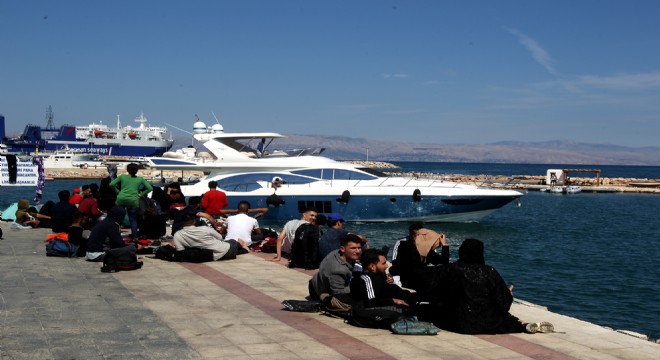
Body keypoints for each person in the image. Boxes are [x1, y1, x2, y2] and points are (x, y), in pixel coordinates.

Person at [432, 238, 554, 334]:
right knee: (505, 319)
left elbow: (435, 292)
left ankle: (522, 325)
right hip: (484, 321)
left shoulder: (451, 269)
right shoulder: (490, 272)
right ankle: (523, 325)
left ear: (462, 251)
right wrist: (508, 294)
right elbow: (503, 304)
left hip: (455, 321)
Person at [388, 227, 448, 297]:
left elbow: (443, 261)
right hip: (413, 280)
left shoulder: (426, 251)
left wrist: (443, 245)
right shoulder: (406, 247)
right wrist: (444, 245)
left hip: (417, 278)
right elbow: (397, 264)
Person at [171, 207, 248, 260]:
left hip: (211, 255)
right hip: (224, 249)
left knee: (231, 244)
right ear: (194, 221)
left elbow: (180, 250)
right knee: (233, 242)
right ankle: (244, 247)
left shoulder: (178, 235)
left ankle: (242, 247)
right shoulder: (205, 229)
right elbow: (220, 238)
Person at [350, 248, 418, 308]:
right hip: (404, 305)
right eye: (384, 263)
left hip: (411, 298)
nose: (387, 265)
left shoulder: (378, 276)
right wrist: (393, 301)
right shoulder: (366, 279)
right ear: (372, 266)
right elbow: (371, 302)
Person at [309, 233, 363, 304]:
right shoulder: (338, 269)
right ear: (342, 249)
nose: (358, 251)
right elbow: (339, 294)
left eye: (359, 248)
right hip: (321, 291)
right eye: (353, 248)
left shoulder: (337, 252)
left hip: (319, 281)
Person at [109, 163, 153, 239]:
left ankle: (115, 235)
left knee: (117, 218)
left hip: (121, 199)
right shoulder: (140, 179)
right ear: (136, 171)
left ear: (127, 170)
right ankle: (135, 236)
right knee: (133, 218)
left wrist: (117, 192)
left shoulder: (122, 177)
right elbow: (150, 188)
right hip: (133, 200)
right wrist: (141, 194)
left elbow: (111, 184)